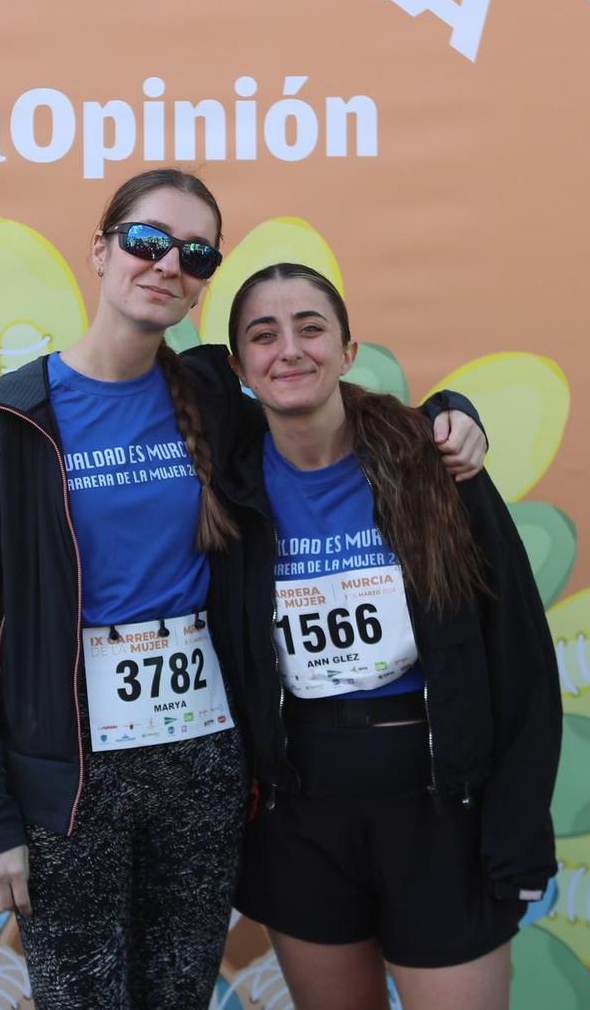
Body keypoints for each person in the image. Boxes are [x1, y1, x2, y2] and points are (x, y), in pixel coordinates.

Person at [0, 170, 488, 1008]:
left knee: (178, 995)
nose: (166, 265)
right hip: (73, 774)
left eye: (194, 253)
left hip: (205, 764)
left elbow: (333, 411)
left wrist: (451, 408)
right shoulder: (11, 420)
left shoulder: (214, 397)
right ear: (100, 249)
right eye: (147, 241)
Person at [219, 263, 561, 1010]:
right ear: (241, 367)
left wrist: (519, 828)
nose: (289, 349)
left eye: (311, 327)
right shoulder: (228, 488)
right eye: (263, 334)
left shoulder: (434, 464)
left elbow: (520, 654)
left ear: (348, 349)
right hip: (301, 815)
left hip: (441, 811)